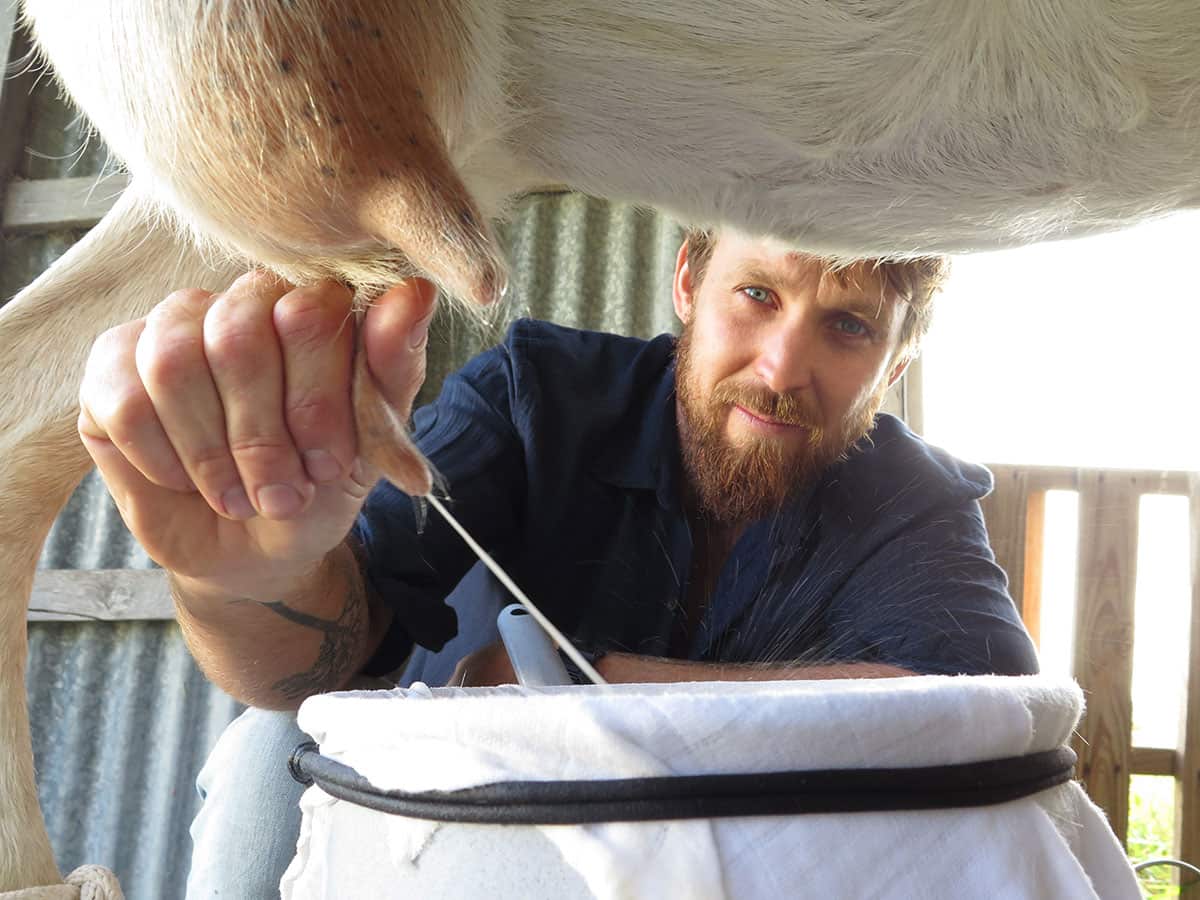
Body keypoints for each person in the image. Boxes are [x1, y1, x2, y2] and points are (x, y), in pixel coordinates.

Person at [78, 228, 1038, 897]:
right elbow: (318, 659)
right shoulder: (536, 393)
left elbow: (987, 715)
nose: (783, 365)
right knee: (269, 745)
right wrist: (252, 578)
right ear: (688, 283)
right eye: (758, 294)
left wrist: (596, 689)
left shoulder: (915, 496)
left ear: (892, 370)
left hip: (711, 867)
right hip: (455, 823)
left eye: (849, 326)